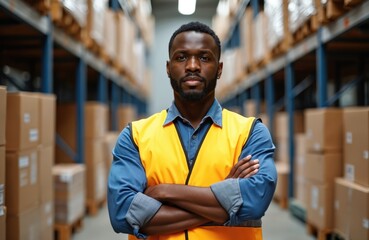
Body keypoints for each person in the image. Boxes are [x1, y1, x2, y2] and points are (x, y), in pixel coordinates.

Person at [108, 21, 277, 240]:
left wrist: (164, 192)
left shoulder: (250, 133)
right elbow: (122, 214)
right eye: (181, 57)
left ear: (219, 69)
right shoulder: (136, 136)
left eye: (205, 58)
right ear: (168, 68)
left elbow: (254, 203)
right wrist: (225, 199)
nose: (193, 66)